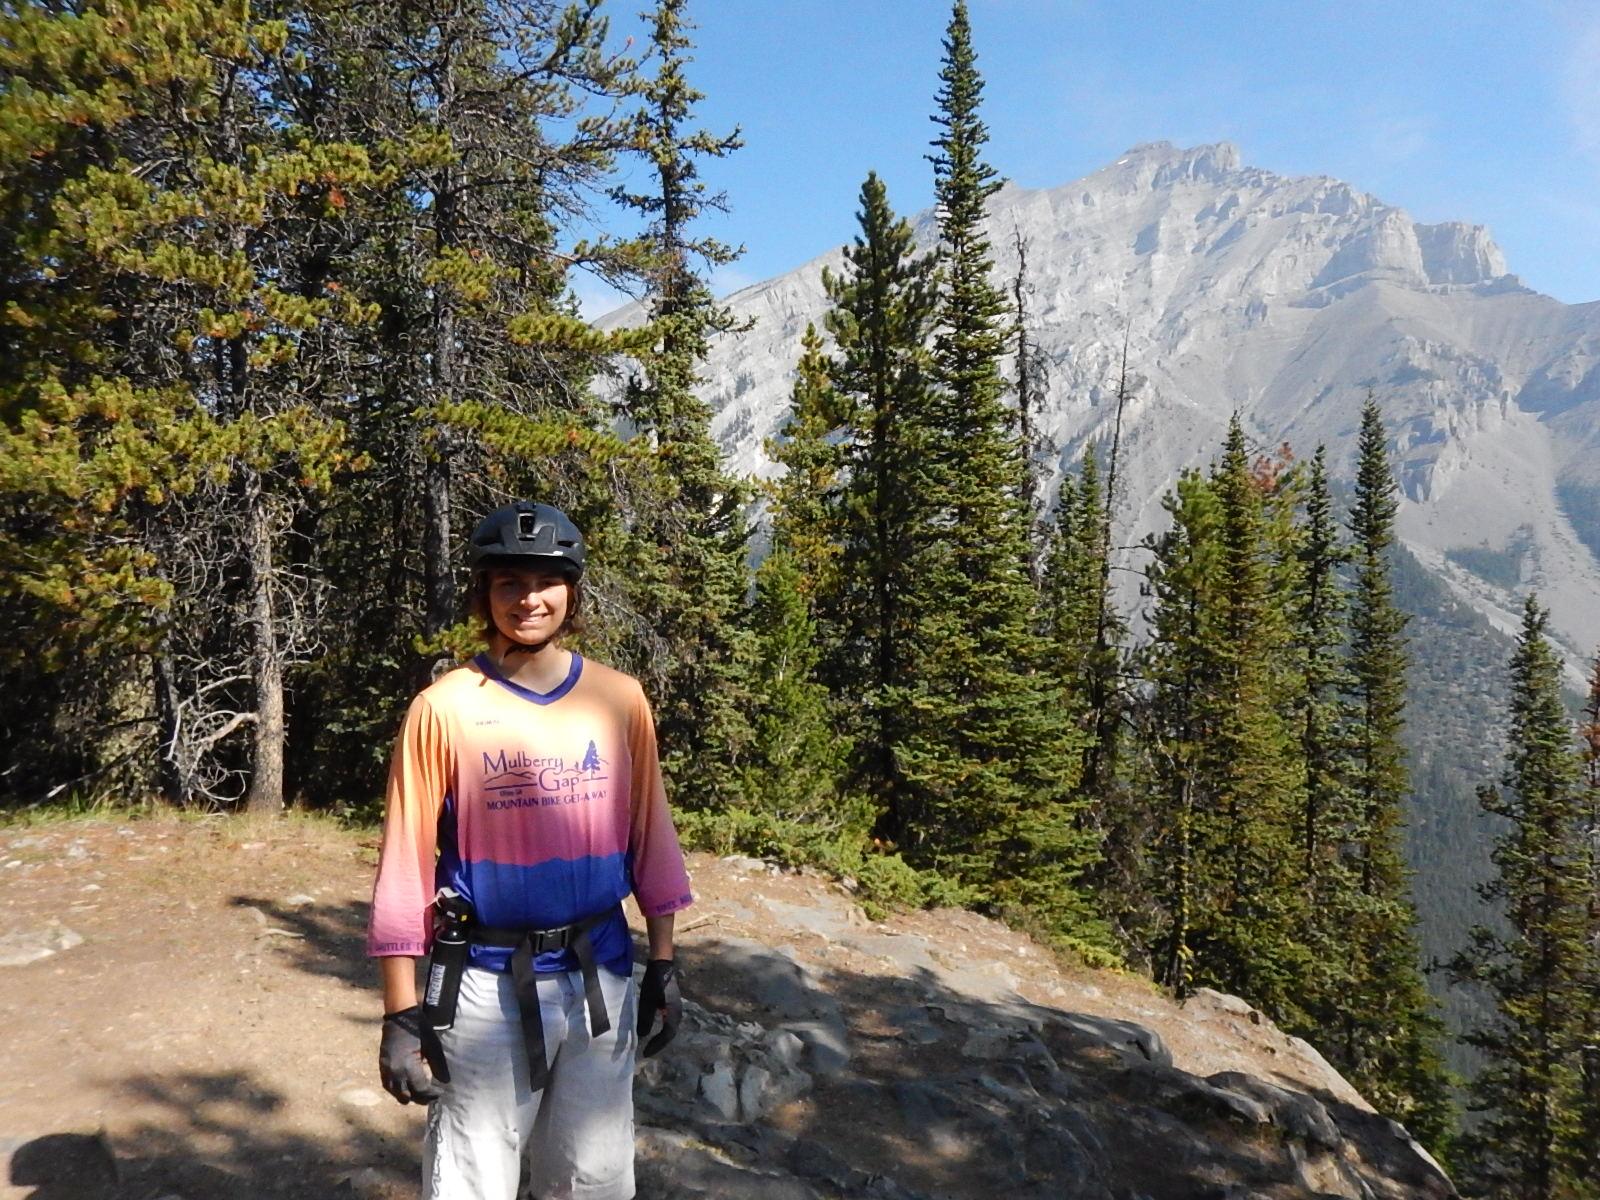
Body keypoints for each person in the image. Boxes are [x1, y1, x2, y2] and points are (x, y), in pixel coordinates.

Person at [367, 500, 692, 1200]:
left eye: (545, 581)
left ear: (571, 590)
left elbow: (650, 834)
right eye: (508, 581)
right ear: (485, 593)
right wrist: (400, 1013)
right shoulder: (445, 707)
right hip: (482, 982)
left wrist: (662, 962)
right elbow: (404, 866)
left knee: (592, 1179)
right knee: (473, 1180)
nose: (528, 599)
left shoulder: (619, 698)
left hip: (597, 976)